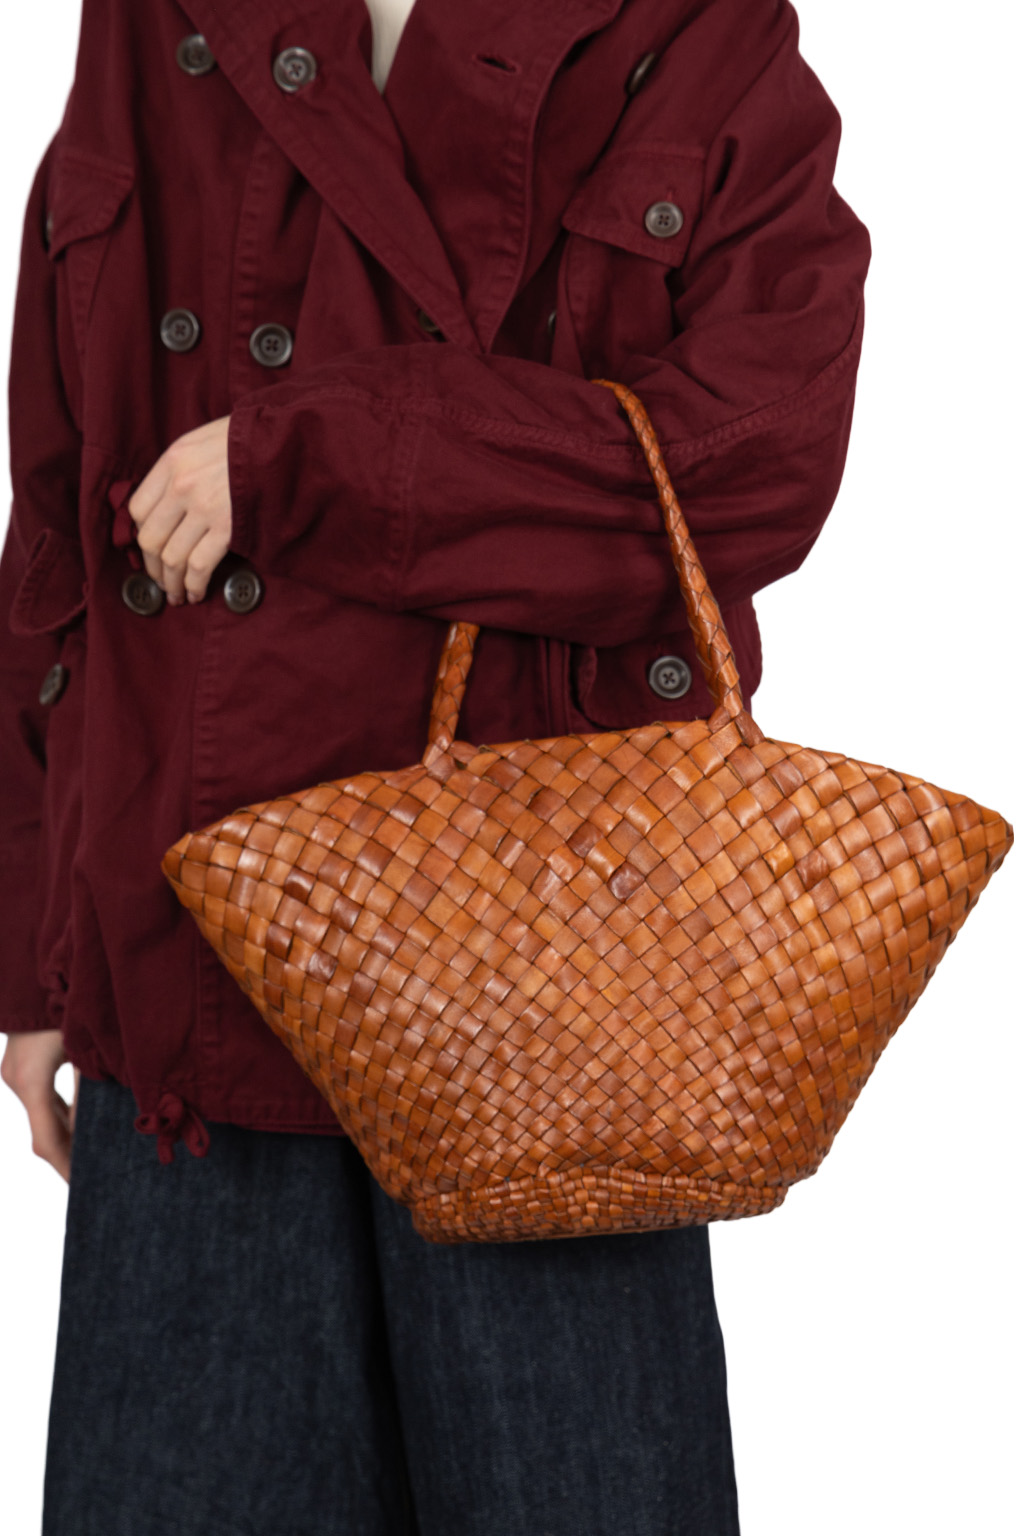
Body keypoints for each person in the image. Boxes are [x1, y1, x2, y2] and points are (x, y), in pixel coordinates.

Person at [0, 0, 871, 1531]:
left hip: (551, 989)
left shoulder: (696, 29)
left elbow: (757, 462)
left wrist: (316, 456)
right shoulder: (156, 15)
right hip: (189, 953)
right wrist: (33, 947)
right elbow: (62, 513)